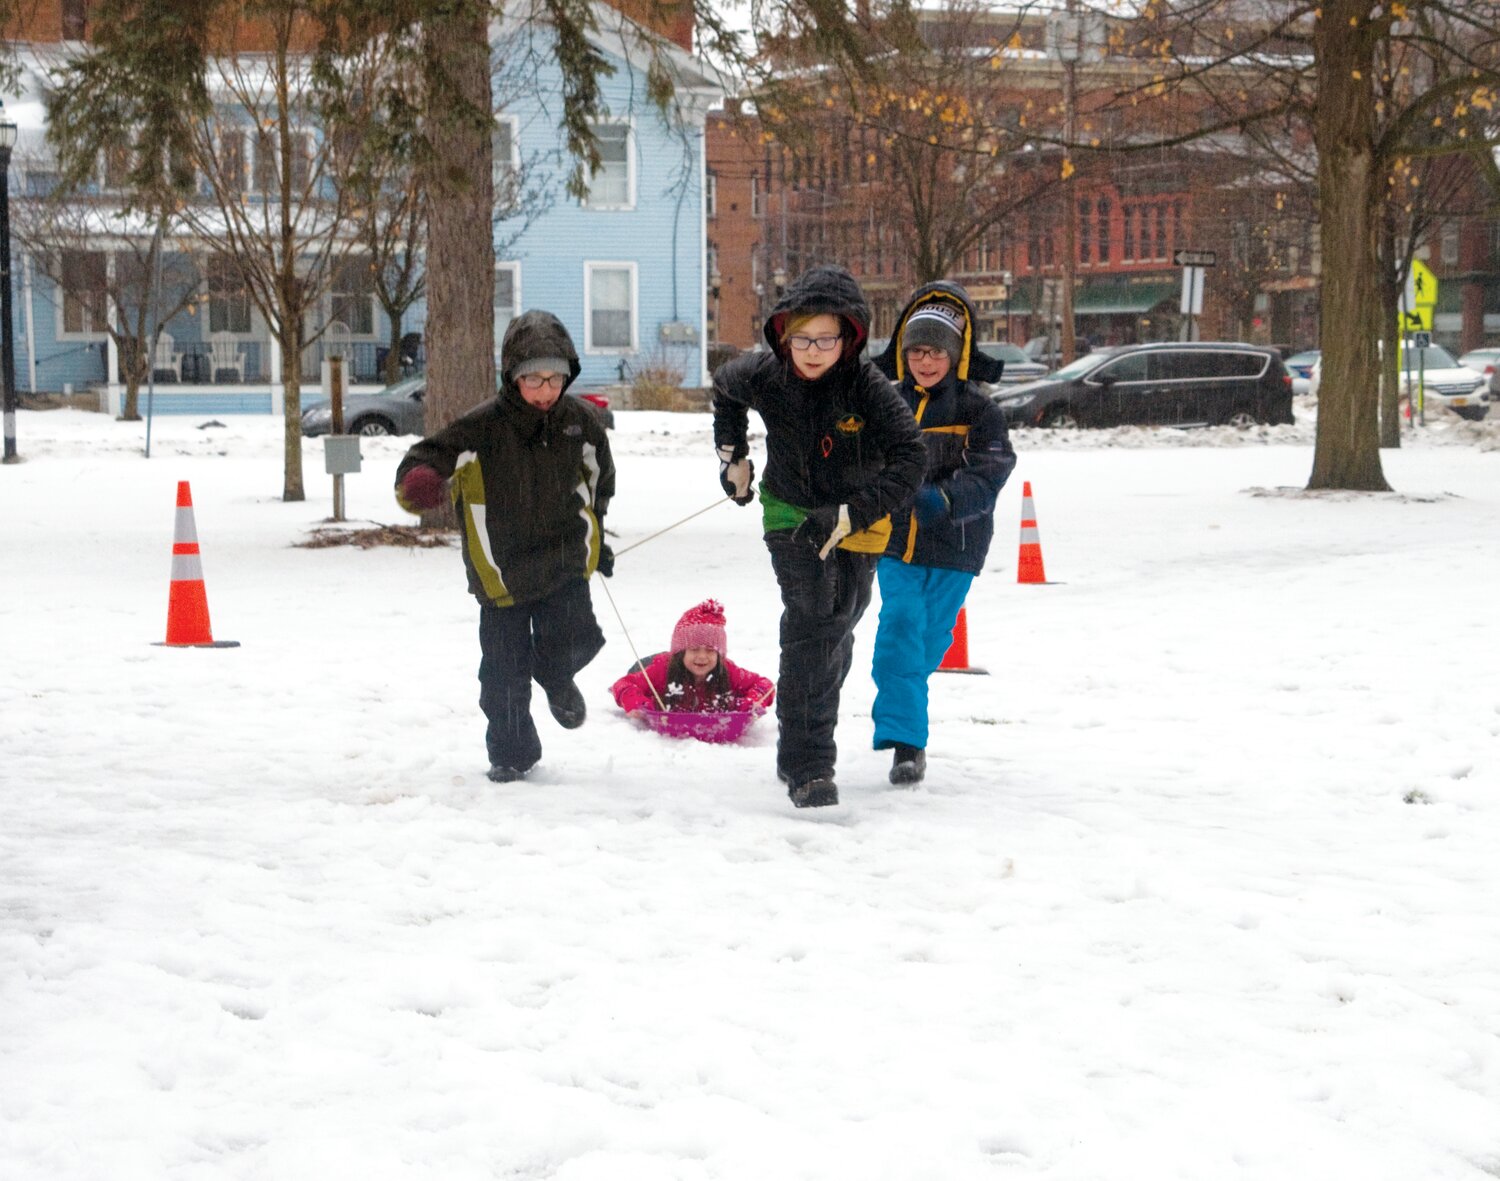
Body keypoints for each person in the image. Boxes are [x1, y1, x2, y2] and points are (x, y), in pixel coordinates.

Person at [713, 265, 926, 808]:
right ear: (784, 336)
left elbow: (911, 457)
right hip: (789, 513)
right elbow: (725, 388)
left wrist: (854, 511)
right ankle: (809, 766)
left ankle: (800, 735)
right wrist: (732, 456)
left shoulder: (868, 387)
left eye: (826, 339)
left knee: (840, 625)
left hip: (858, 519)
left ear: (849, 337)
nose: (812, 351)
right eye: (801, 338)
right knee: (813, 621)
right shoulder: (765, 374)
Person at [394, 309, 615, 784]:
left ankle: (556, 677)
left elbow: (601, 482)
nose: (546, 389)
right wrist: (420, 481)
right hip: (502, 568)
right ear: (512, 377)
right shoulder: (482, 426)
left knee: (577, 635)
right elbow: (427, 456)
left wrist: (599, 533)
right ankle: (512, 753)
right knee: (503, 676)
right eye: (534, 378)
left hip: (563, 556)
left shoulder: (581, 422)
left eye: (556, 378)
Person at [870, 282, 1017, 784]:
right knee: (899, 631)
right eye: (916, 352)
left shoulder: (978, 411)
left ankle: (906, 709)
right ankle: (907, 746)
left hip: (956, 546)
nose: (925, 362)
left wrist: (946, 497)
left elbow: (993, 467)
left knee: (926, 644)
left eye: (935, 352)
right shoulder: (886, 403)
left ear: (955, 355)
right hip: (894, 544)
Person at [610, 599, 774, 716]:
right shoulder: (663, 669)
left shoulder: (727, 670)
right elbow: (623, 684)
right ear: (682, 652)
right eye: (694, 649)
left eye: (710, 650)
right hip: (650, 664)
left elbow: (764, 685)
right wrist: (637, 705)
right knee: (641, 670)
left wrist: (752, 703)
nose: (702, 656)